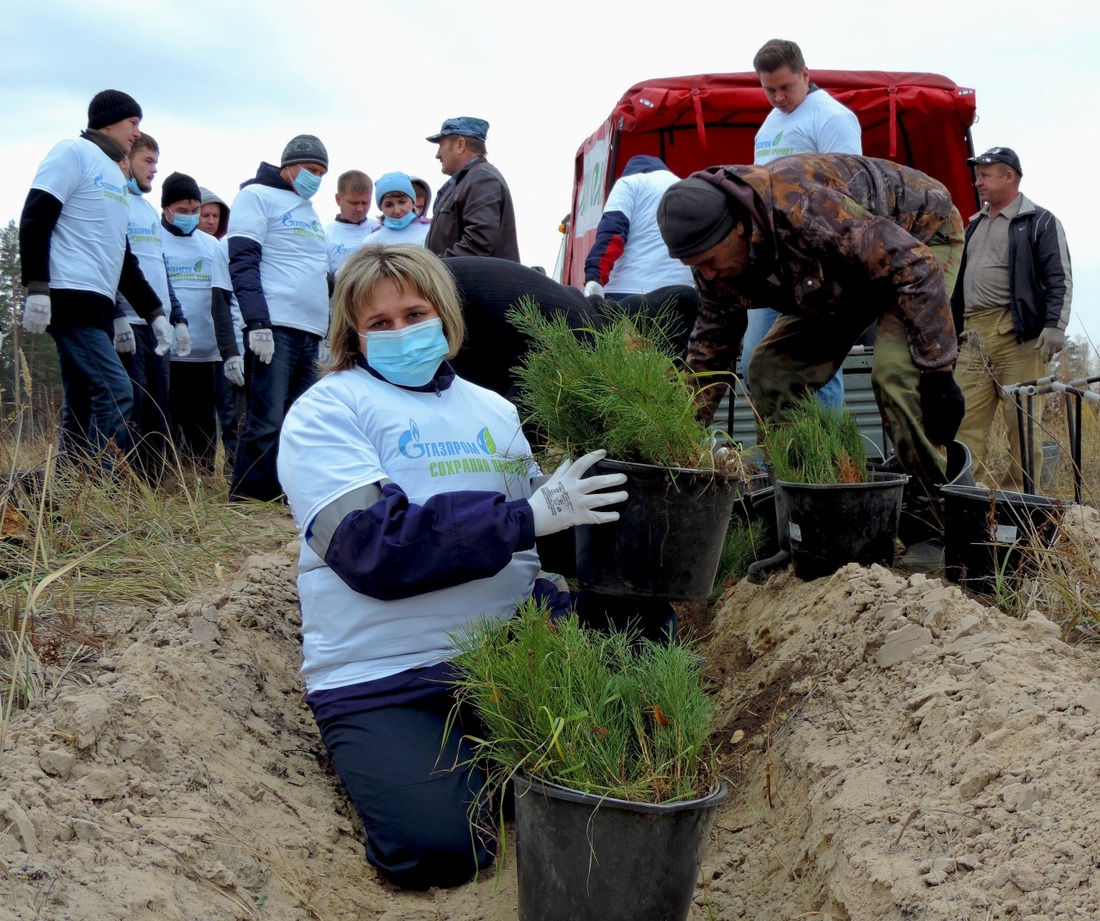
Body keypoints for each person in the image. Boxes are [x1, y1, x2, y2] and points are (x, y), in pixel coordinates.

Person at [276, 243, 627, 889]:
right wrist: (525, 514)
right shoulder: (328, 411)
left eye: (415, 311)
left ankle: (493, 758)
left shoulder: (491, 409)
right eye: (380, 323)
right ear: (351, 334)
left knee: (645, 636)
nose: (402, 330)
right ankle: (466, 768)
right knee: (442, 848)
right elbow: (373, 548)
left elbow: (539, 535)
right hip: (387, 675)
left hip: (511, 645)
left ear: (446, 313)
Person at [656, 154, 966, 519]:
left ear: (737, 227)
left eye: (709, 260)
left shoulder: (804, 210)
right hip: (841, 272)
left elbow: (914, 265)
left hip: (921, 237)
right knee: (772, 372)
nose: (707, 274)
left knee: (896, 373)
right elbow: (710, 353)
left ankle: (932, 516)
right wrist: (673, 436)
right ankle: (812, 508)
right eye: (695, 267)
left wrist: (938, 372)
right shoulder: (713, 267)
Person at [18, 89, 172, 471]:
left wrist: (153, 312)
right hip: (70, 297)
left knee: (83, 399)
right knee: (116, 390)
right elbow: (36, 217)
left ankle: (66, 486)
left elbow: (122, 257)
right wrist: (37, 286)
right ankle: (100, 486)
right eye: (133, 123)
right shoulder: (72, 152)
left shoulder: (114, 176)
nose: (137, 133)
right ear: (109, 120)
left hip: (97, 304)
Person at [741, 39, 863, 415]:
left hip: (816, 262)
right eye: (769, 89)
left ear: (805, 75)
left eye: (785, 87)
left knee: (813, 368)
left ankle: (824, 464)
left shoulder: (831, 117)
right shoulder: (770, 125)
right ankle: (776, 460)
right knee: (755, 363)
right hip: (773, 262)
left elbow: (850, 194)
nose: (778, 97)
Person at [951, 147, 1072, 492]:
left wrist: (1054, 326)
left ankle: (1018, 502)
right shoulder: (973, 224)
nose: (978, 182)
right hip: (972, 337)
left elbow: (1059, 276)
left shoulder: (1040, 221)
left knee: (1023, 423)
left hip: (1016, 336)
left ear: (1010, 176)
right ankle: (964, 496)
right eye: (978, 175)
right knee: (963, 421)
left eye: (986, 175)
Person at [227, 134, 332, 501]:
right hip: (275, 326)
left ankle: (285, 492)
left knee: (299, 421)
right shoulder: (256, 196)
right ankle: (249, 497)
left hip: (310, 331)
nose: (316, 178)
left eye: (322, 172)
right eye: (311, 169)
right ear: (288, 165)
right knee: (266, 418)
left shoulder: (308, 210)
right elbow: (243, 261)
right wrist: (257, 322)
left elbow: (317, 270)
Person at [117, 133, 191, 482]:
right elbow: (114, 264)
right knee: (130, 404)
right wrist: (117, 315)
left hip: (155, 325)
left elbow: (161, 270)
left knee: (158, 408)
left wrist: (176, 316)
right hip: (129, 322)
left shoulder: (146, 210)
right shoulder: (116, 201)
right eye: (148, 161)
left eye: (156, 163)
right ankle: (124, 483)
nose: (154, 170)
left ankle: (153, 483)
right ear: (127, 158)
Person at [161, 172, 238, 473]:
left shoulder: (211, 246)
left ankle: (203, 479)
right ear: (166, 207)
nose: (190, 216)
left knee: (204, 424)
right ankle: (166, 480)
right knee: (168, 420)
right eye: (182, 211)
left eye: (195, 210)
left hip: (207, 353)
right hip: (168, 352)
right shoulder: (155, 239)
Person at [583, 155, 694, 300]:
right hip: (683, 295)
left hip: (627, 292)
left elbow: (612, 233)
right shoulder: (687, 188)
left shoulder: (629, 183)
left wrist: (595, 276)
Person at [199, 186, 247, 475]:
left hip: (250, 347)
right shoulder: (221, 249)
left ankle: (244, 468)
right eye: (205, 214)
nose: (211, 221)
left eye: (216, 215)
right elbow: (220, 304)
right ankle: (229, 470)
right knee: (227, 415)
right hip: (214, 347)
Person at [424, 117, 519, 261]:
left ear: (460, 145)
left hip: (475, 283)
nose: (437, 155)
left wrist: (434, 269)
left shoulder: (482, 179)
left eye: (440, 145)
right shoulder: (468, 181)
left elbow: (479, 243)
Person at [325, 169, 374, 277]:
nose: (360, 209)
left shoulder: (379, 228)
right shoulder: (326, 235)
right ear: (338, 199)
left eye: (365, 202)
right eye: (354, 203)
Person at [363, 172, 431, 247]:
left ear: (413, 202)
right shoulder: (372, 242)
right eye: (389, 205)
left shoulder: (430, 232)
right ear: (381, 208)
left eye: (402, 202)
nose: (397, 211)